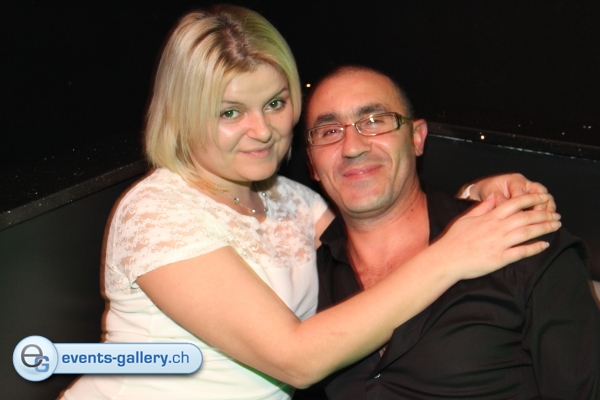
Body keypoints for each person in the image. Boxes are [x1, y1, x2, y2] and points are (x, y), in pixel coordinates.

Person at [60, 6, 561, 399]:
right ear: (184, 114)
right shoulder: (157, 211)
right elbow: (296, 360)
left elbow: (387, 232)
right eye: (230, 112)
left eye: (275, 104)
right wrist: (452, 254)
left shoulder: (292, 201)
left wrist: (472, 202)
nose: (262, 130)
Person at [294, 66, 600, 400]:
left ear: (417, 137)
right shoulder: (304, 282)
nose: (352, 147)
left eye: (374, 121)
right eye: (329, 131)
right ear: (312, 165)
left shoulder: (522, 241)